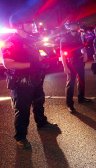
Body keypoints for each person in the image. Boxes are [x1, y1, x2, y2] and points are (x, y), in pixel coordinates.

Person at [1, 19, 58, 149]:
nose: (33, 25)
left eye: (32, 23)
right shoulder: (11, 42)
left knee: (39, 102)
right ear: (19, 25)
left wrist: (42, 59)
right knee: (22, 110)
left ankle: (42, 123)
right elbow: (7, 64)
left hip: (36, 78)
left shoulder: (32, 39)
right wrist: (32, 65)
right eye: (28, 23)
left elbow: (38, 55)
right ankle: (20, 137)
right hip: (21, 82)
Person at [60, 21, 92, 113]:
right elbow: (62, 53)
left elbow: (82, 46)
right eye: (72, 25)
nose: (74, 26)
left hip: (80, 60)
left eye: (75, 25)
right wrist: (65, 66)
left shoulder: (79, 35)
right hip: (70, 62)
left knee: (81, 80)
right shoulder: (65, 37)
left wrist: (85, 54)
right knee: (70, 83)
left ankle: (81, 98)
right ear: (68, 27)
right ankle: (69, 104)